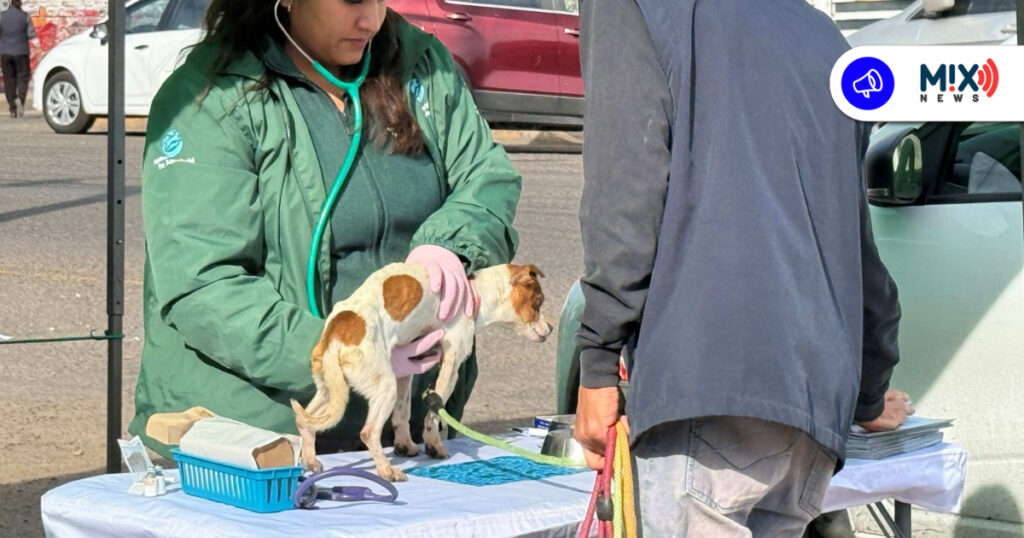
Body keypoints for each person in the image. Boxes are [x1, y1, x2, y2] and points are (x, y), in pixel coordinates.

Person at [572, 1, 913, 535]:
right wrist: (868, 388)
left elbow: (625, 195)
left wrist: (596, 364)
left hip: (708, 389)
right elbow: (854, 241)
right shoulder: (819, 33)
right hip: (809, 407)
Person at [127, 0, 521, 460]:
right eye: (351, 0)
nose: (371, 20)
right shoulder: (210, 100)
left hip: (401, 428)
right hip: (259, 439)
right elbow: (203, 285)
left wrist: (449, 244)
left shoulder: (421, 67)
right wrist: (344, 353)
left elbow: (486, 176)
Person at [0, 0, 36, 118]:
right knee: (23, 78)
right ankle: (20, 98)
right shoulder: (25, 17)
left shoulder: (2, 16)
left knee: (9, 80)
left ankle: (12, 109)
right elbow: (31, 34)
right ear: (20, 3)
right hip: (22, 52)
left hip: (5, 52)